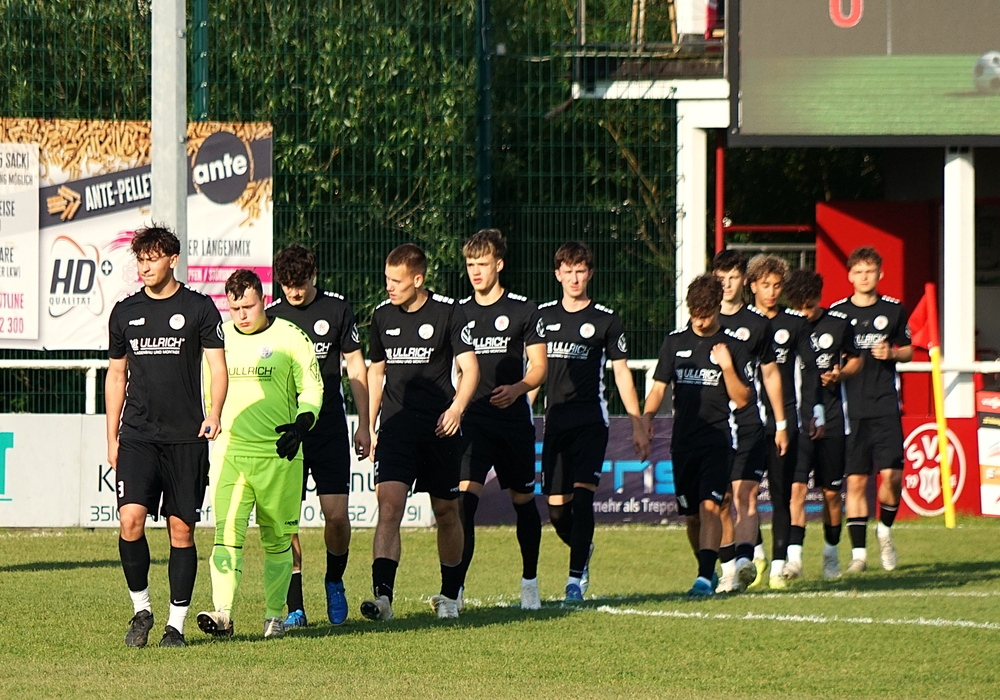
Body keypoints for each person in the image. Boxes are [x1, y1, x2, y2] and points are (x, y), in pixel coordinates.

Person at [106, 224, 228, 649]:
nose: (145, 267)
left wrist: (214, 412)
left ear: (173, 260)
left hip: (185, 438)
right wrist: (112, 437)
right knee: (130, 520)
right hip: (138, 435)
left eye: (152, 259)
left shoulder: (199, 308)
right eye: (140, 260)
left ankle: (175, 626)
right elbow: (116, 375)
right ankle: (142, 609)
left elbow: (217, 367)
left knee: (181, 531)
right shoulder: (124, 312)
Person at [197, 269, 323, 639]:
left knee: (278, 540)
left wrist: (302, 425)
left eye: (248, 307)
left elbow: (312, 388)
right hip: (231, 454)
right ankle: (222, 614)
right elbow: (209, 391)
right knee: (226, 535)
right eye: (235, 308)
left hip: (279, 457)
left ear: (264, 300)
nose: (242, 315)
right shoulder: (219, 339)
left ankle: (274, 617)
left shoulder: (290, 337)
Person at [364, 243, 480, 621]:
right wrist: (367, 424)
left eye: (396, 281)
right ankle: (383, 598)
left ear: (418, 279)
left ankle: (449, 595)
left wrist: (457, 409)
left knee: (446, 512)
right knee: (389, 507)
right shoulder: (381, 316)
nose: (389, 287)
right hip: (396, 430)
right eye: (386, 279)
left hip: (439, 432)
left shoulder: (449, 312)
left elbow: (470, 369)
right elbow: (376, 371)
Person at [538, 241, 650, 603]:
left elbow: (622, 374)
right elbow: (534, 370)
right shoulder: (542, 318)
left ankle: (574, 581)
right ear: (557, 274)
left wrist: (636, 423)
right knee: (557, 510)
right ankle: (583, 547)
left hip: (590, 421)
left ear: (590, 274)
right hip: (555, 422)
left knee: (583, 497)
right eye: (568, 271)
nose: (574, 278)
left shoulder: (606, 320)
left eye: (581, 271)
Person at [268, 244, 371, 628]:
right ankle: (295, 606)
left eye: (300, 284)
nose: (293, 292)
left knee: (337, 518)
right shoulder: (271, 317)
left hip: (328, 428)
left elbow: (356, 367)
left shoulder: (337, 309)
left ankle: (334, 580)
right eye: (286, 285)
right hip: (287, 432)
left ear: (314, 276)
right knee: (285, 522)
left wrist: (364, 423)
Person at [453, 230, 547, 610]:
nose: (476, 271)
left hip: (512, 423)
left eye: (483, 264)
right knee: (464, 503)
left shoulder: (524, 310)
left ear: (499, 264)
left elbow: (539, 367)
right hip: (473, 421)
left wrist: (518, 388)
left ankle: (530, 582)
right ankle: (455, 589)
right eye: (470, 265)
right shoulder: (458, 312)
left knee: (523, 502)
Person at [643, 274, 752, 597]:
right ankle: (709, 569)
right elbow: (659, 388)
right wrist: (646, 418)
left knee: (711, 506)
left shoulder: (733, 346)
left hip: (718, 440)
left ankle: (704, 578)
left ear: (717, 307)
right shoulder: (674, 343)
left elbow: (742, 399)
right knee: (692, 516)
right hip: (683, 442)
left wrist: (727, 366)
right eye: (694, 314)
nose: (699, 321)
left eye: (705, 314)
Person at [831, 247, 912, 573]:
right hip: (850, 408)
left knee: (892, 475)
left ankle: (885, 532)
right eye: (859, 272)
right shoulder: (837, 313)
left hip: (885, 405)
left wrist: (893, 353)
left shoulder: (893, 309)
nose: (864, 277)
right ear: (850, 276)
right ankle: (859, 556)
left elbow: (909, 350)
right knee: (855, 482)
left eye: (870, 271)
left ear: (880, 274)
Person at [745, 255, 821, 587]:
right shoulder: (740, 323)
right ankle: (757, 555)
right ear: (752, 286)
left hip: (783, 422)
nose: (772, 291)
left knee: (781, 495)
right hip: (746, 421)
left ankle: (778, 567)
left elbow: (811, 369)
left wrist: (814, 412)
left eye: (777, 285)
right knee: (744, 495)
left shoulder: (795, 324)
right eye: (765, 285)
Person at [712, 250, 786, 592]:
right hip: (713, 425)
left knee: (746, 496)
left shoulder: (757, 324)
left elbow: (770, 374)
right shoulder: (705, 320)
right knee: (719, 502)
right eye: (721, 278)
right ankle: (728, 566)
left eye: (733, 277)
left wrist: (781, 423)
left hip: (748, 422)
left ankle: (743, 563)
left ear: (744, 280)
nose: (727, 284)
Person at [785, 269, 863, 580]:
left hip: (832, 419)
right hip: (797, 420)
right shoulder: (786, 327)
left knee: (831, 493)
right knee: (796, 490)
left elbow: (856, 359)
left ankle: (831, 554)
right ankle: (794, 559)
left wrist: (841, 374)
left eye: (809, 306)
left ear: (818, 298)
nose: (804, 313)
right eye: (798, 307)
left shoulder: (838, 324)